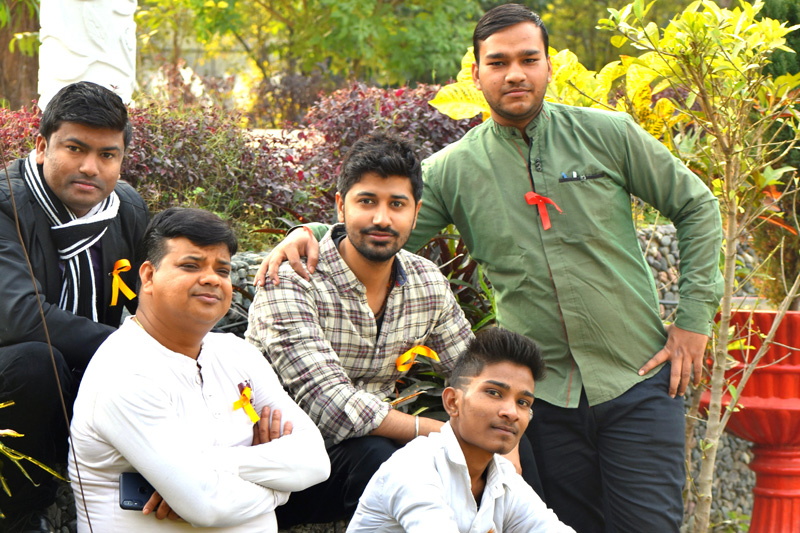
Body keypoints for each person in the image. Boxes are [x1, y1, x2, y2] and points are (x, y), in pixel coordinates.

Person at [259, 5, 724, 532]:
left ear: (549, 65)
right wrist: (309, 232)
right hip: (541, 400)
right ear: (477, 74)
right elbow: (382, 225)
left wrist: (693, 320)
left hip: (635, 380)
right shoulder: (455, 170)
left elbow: (697, 206)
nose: (515, 74)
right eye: (498, 63)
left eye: (528, 59)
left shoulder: (609, 134)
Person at [247, 132, 542, 528]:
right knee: (377, 455)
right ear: (341, 206)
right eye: (367, 201)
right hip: (284, 461)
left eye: (397, 204)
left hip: (372, 451)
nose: (382, 218)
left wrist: (504, 442)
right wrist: (444, 433)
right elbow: (332, 406)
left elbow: (471, 372)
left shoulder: (425, 281)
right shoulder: (293, 279)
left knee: (513, 439)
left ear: (415, 213)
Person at [68, 207, 329, 532]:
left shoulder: (237, 354)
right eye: (191, 266)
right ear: (148, 277)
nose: (211, 279)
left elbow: (315, 461)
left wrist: (208, 463)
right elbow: (207, 505)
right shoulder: (124, 370)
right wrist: (281, 490)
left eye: (223, 270)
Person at [0, 81, 149, 532]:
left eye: (107, 155)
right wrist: (133, 347)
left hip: (83, 373)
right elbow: (21, 317)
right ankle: (22, 516)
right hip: (19, 376)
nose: (91, 167)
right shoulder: (6, 205)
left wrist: (304, 234)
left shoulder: (124, 209)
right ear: (42, 146)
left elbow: (155, 288)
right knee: (37, 361)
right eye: (75, 148)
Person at [347, 328, 574, 533]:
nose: (511, 412)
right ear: (453, 402)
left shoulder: (504, 480)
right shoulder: (415, 467)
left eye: (523, 402)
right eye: (494, 393)